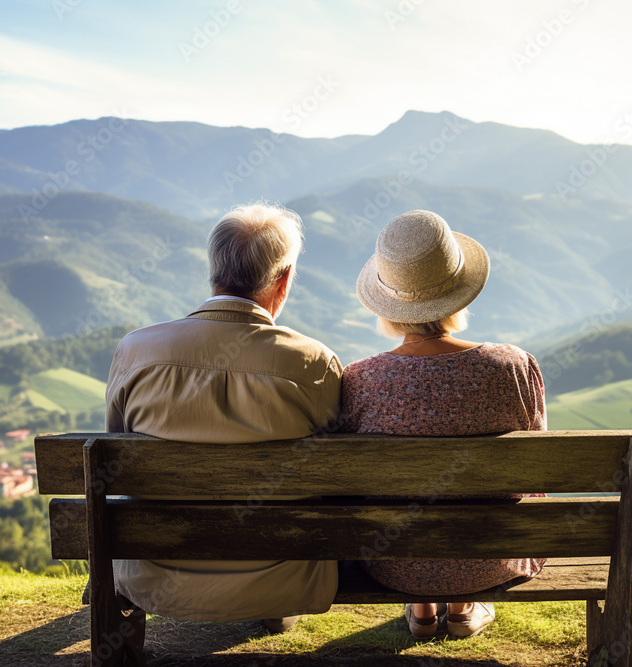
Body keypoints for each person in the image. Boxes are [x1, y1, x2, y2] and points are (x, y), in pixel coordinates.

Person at [104, 202, 342, 633]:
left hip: (154, 574)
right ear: (284, 279)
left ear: (213, 269)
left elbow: (116, 453)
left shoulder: (135, 352)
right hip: (286, 575)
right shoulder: (314, 364)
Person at [338, 209, 547, 639]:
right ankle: (464, 605)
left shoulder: (360, 379)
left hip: (393, 561)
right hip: (494, 556)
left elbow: (354, 482)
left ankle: (422, 607)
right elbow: (537, 471)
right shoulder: (513, 367)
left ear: (386, 302)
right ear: (461, 292)